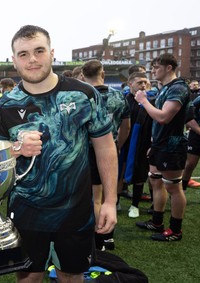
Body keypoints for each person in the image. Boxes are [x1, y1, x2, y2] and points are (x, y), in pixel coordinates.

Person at [0, 25, 118, 283]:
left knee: (71, 276)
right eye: (23, 54)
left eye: (39, 51)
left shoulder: (83, 94)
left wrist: (110, 201)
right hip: (26, 213)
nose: (32, 59)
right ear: (14, 60)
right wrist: (17, 149)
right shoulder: (3, 106)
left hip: (75, 211)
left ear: (52, 53)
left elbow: (105, 147)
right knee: (28, 278)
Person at [135, 54, 191, 242]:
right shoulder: (166, 88)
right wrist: (153, 143)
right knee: (156, 182)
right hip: (160, 144)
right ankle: (157, 221)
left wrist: (143, 101)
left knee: (174, 188)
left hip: (172, 146)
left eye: (156, 67)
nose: (153, 71)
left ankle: (175, 230)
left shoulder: (178, 88)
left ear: (169, 68)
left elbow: (163, 117)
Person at [82, 59, 130, 251]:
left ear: (84, 77)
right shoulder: (119, 96)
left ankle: (98, 238)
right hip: (112, 149)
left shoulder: (84, 97)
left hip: (89, 151)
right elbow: (126, 126)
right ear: (102, 74)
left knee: (95, 198)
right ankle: (108, 237)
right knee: (107, 197)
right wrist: (118, 145)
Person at [122, 72, 156, 218]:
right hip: (124, 142)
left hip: (143, 143)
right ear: (130, 83)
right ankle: (116, 201)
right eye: (139, 82)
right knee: (118, 173)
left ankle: (135, 205)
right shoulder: (123, 101)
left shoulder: (151, 101)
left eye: (145, 82)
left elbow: (156, 124)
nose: (143, 85)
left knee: (140, 175)